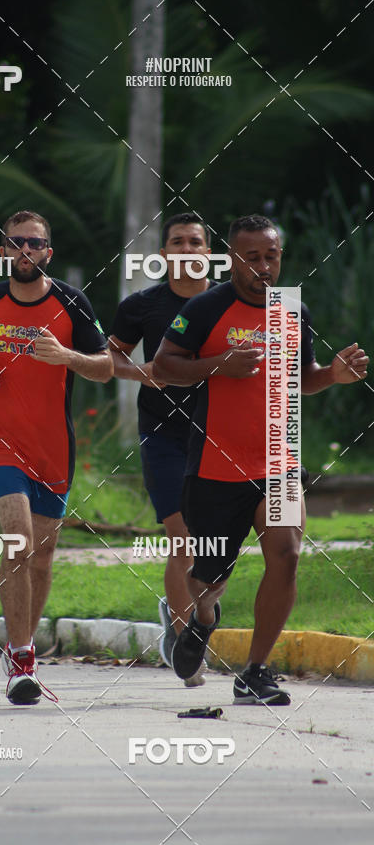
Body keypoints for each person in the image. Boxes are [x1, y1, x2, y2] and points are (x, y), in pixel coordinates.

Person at [153, 214, 368, 705]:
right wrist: (218, 366)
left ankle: (255, 671)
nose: (263, 267)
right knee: (209, 580)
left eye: (271, 257)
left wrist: (332, 375)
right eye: (252, 258)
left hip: (279, 461)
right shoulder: (205, 308)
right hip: (214, 467)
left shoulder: (292, 308)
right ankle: (202, 619)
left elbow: (304, 377)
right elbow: (165, 366)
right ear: (231, 259)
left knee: (287, 555)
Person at [0, 210, 112, 705]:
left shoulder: (71, 302)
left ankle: (21, 646)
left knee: (42, 557)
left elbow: (107, 367)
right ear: (2, 250)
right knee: (18, 540)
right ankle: (22, 655)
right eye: (15, 242)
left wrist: (68, 357)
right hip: (1, 440)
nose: (25, 251)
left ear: (48, 251)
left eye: (35, 243)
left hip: (55, 448)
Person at [109, 212, 216, 686]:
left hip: (220, 435)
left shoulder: (228, 303)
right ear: (164, 254)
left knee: (215, 544)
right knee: (183, 537)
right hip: (164, 435)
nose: (188, 250)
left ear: (208, 252)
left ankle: (195, 612)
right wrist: (142, 372)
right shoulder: (143, 305)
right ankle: (183, 640)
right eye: (178, 242)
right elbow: (110, 355)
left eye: (196, 242)